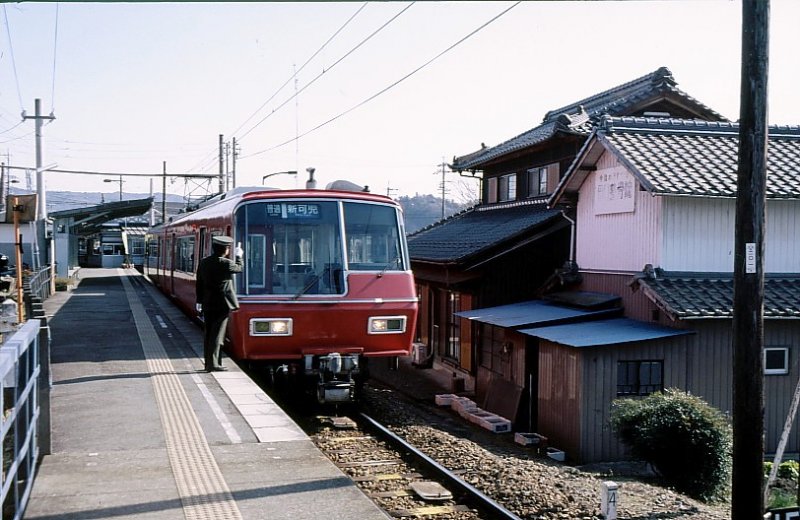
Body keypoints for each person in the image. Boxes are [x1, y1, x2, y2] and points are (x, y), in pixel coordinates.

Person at [195, 235, 243, 372]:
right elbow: (240, 268)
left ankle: (208, 363)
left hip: (207, 303)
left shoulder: (204, 262)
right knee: (218, 335)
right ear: (226, 249)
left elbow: (199, 284)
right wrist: (239, 256)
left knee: (209, 333)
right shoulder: (226, 263)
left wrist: (199, 301)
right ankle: (214, 364)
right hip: (222, 304)